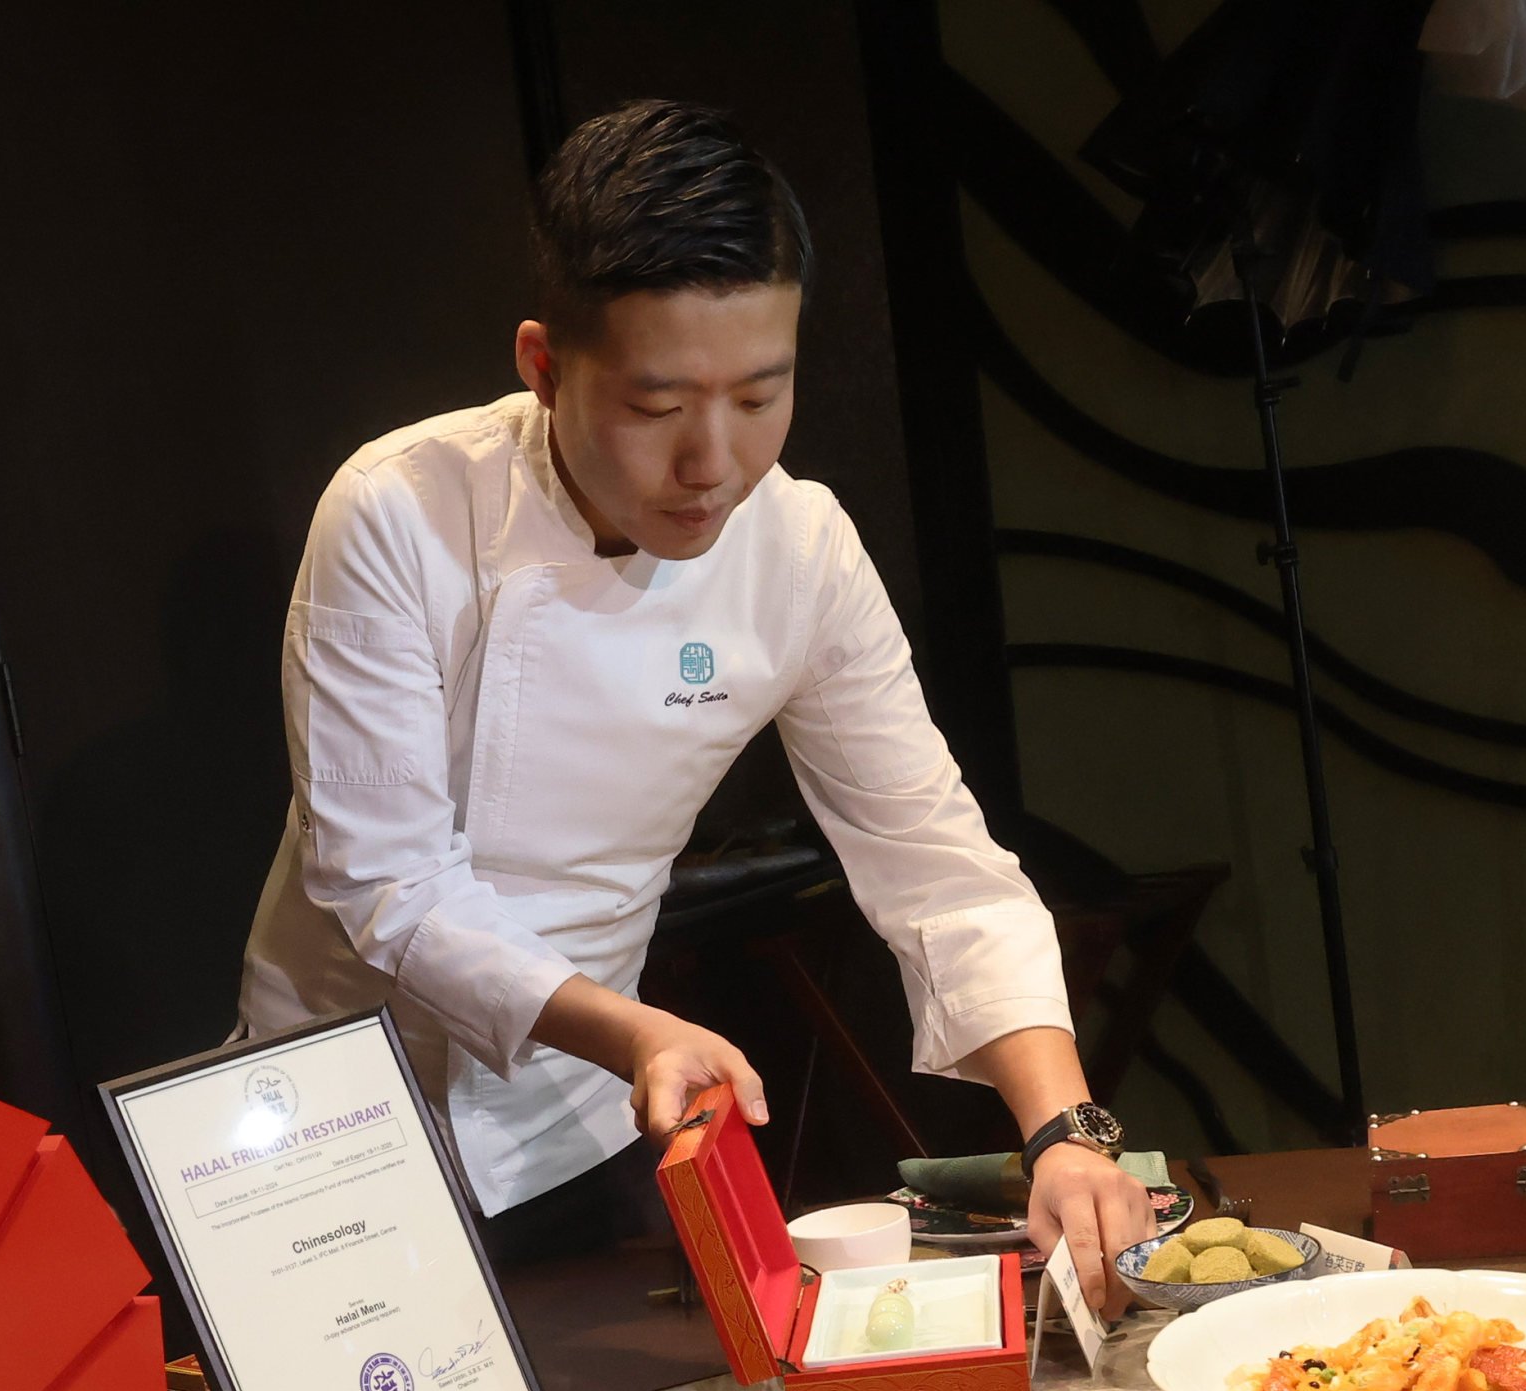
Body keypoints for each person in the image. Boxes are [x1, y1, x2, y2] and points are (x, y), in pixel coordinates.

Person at [233, 100, 1157, 1296]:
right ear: (542, 365)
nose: (712, 462)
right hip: (330, 1111)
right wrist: (639, 1029)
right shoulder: (400, 512)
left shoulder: (802, 548)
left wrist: (1064, 1131)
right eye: (658, 409)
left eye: (760, 397)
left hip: (580, 1107)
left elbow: (933, 857)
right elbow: (387, 884)